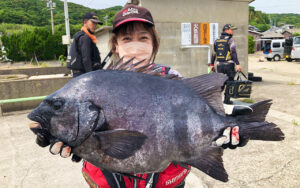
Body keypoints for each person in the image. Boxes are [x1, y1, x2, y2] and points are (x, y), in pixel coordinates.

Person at [35, 5, 245, 188]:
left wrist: (226, 130)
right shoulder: (93, 86)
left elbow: (198, 118)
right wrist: (57, 131)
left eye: (143, 38)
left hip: (165, 181)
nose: (135, 45)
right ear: (116, 45)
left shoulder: (173, 79)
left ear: (153, 43)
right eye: (127, 38)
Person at [210, 24, 241, 104]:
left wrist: (212, 64)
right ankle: (227, 100)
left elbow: (214, 53)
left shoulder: (216, 40)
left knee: (221, 83)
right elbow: (233, 52)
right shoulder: (230, 39)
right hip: (229, 65)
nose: (233, 31)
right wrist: (237, 64)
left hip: (219, 65)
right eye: (232, 30)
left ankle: (216, 100)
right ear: (226, 30)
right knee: (230, 83)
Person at [67, 12, 103, 77]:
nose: (95, 26)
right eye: (93, 23)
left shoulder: (79, 36)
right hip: (84, 75)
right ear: (85, 22)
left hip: (79, 75)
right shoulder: (85, 38)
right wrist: (90, 76)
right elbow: (86, 59)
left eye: (96, 23)